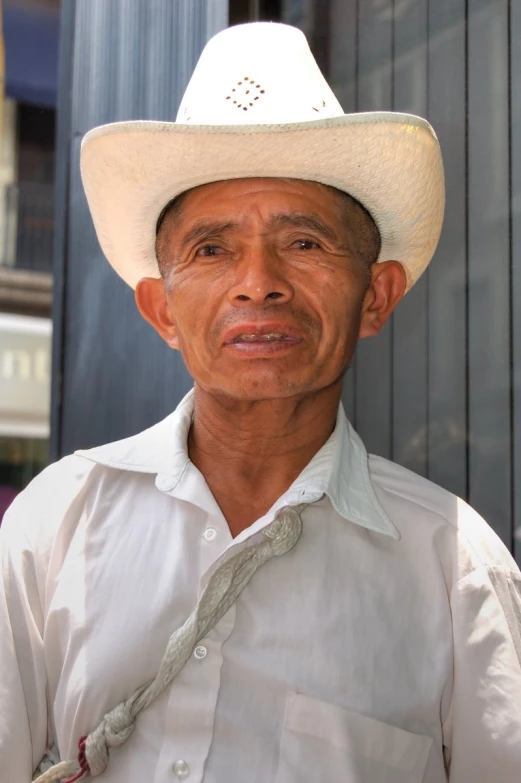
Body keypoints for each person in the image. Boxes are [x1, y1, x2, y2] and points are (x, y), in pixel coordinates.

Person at [1, 21, 520, 783]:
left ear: (375, 296)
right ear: (161, 311)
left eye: (304, 242)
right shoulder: (56, 526)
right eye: (211, 249)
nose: (257, 281)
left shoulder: (454, 571)